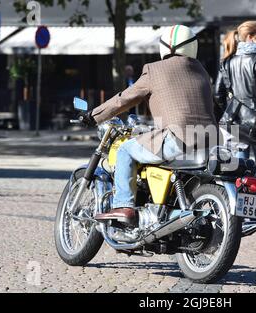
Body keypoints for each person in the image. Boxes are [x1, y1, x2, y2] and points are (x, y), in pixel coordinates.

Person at [79, 25, 217, 225]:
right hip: (209, 139)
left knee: (125, 150)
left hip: (177, 138)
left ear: (164, 47)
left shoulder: (154, 70)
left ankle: (123, 205)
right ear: (192, 46)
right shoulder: (201, 71)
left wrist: (94, 115)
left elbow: (124, 99)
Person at [214, 21, 256, 227]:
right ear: (251, 37)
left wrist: (232, 107)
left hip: (235, 123)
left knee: (239, 170)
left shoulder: (227, 61)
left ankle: (239, 214)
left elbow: (217, 94)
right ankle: (253, 215)